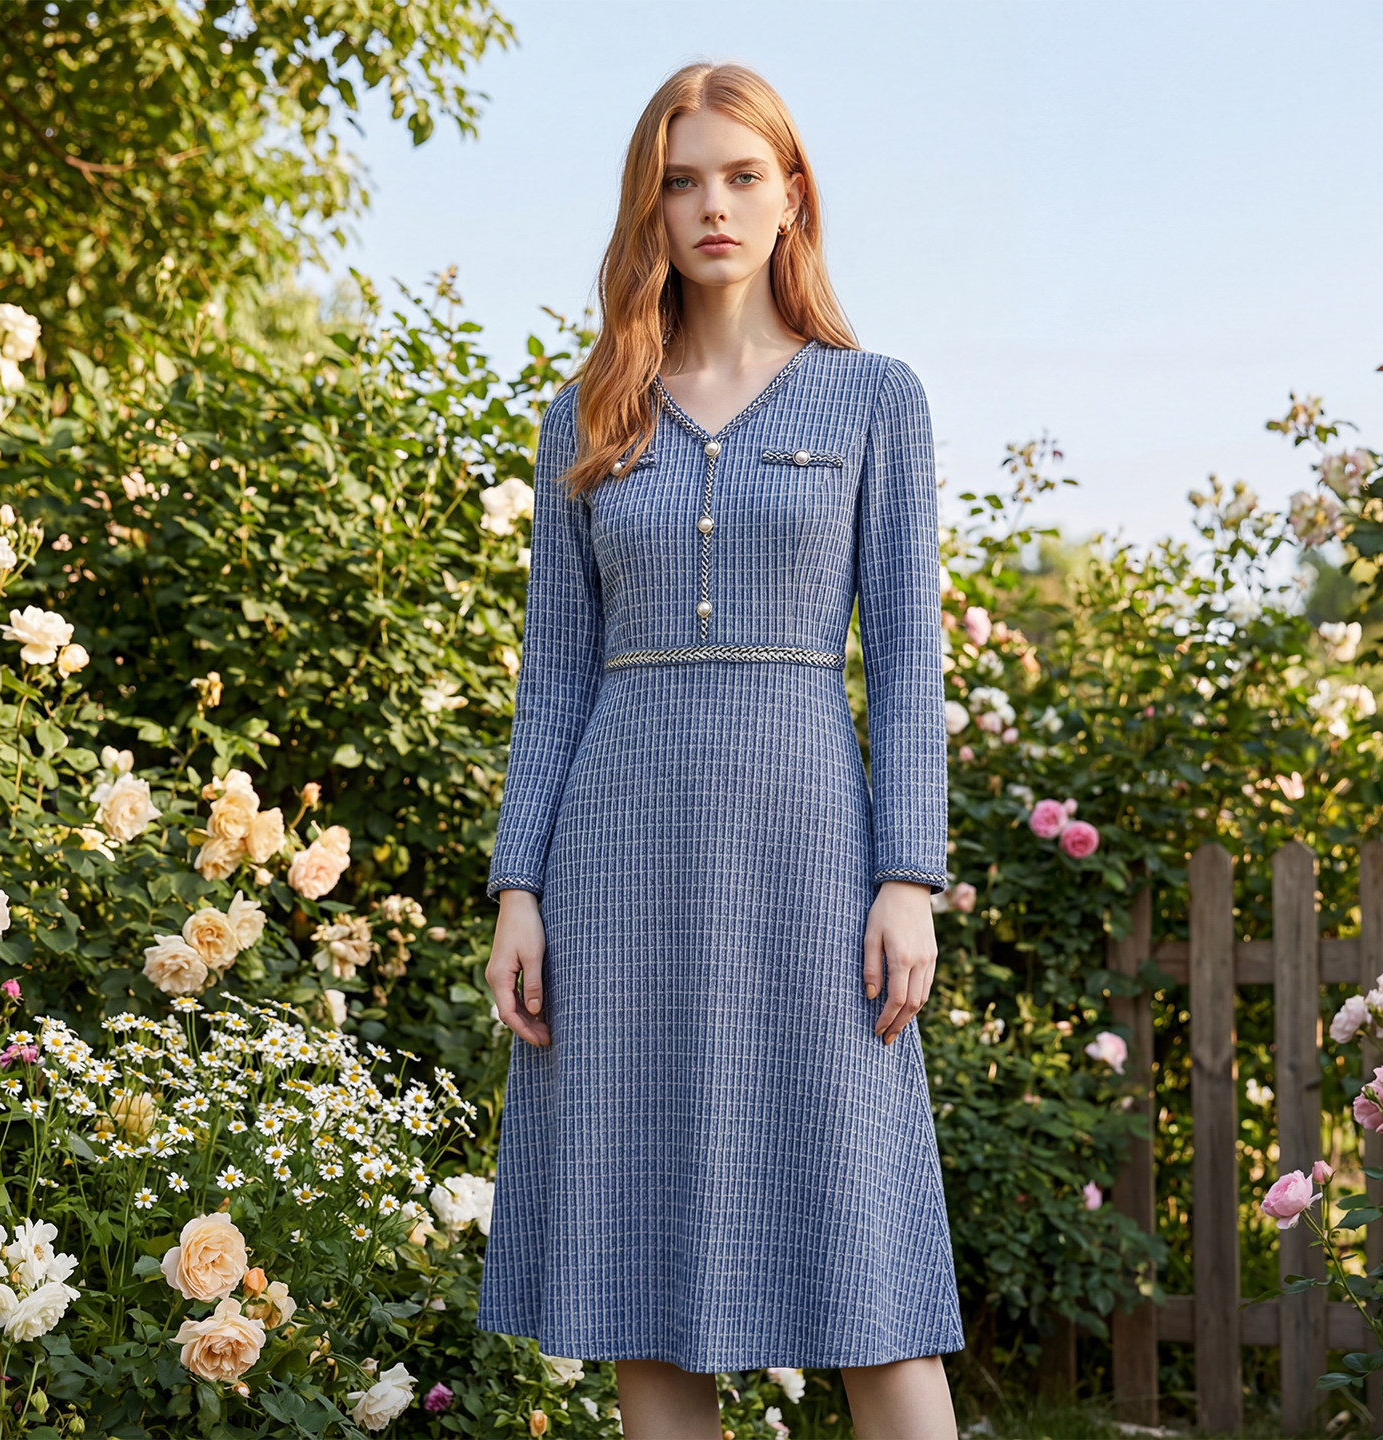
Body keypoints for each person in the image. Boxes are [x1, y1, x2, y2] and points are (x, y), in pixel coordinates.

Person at [480, 59, 963, 1440]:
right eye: (682, 180)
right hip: (615, 868)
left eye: (744, 176)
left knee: (867, 1259)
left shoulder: (874, 398)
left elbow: (908, 660)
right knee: (639, 1266)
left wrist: (908, 876)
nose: (713, 206)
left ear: (791, 195)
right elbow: (552, 679)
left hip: (812, 861)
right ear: (650, 205)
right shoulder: (589, 415)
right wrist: (520, 888)